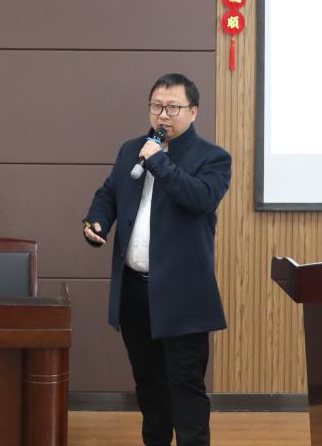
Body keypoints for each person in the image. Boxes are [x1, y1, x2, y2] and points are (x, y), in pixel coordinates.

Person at [83, 72, 232, 446]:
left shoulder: (213, 157)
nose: (162, 115)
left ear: (193, 111)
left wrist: (161, 162)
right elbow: (109, 193)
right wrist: (97, 220)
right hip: (136, 292)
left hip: (183, 295)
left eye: (172, 108)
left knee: (186, 387)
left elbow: (200, 198)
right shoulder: (130, 149)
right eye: (156, 106)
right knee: (149, 385)